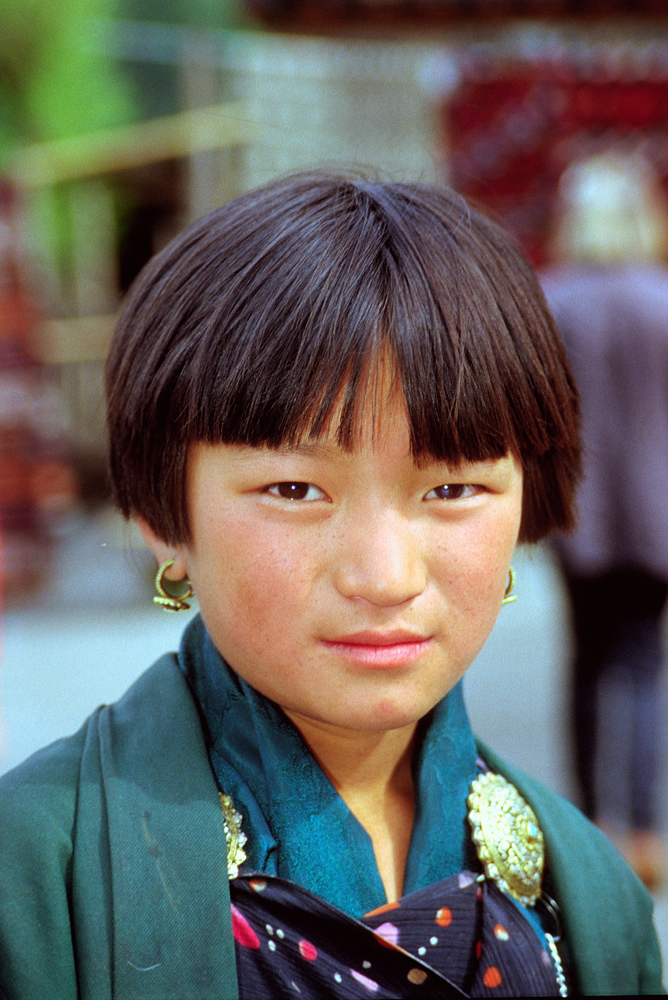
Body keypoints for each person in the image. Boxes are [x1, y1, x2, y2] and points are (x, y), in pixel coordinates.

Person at [0, 173, 662, 998]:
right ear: (165, 518)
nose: (384, 578)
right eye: (295, 490)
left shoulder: (591, 899)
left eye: (452, 490)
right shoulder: (30, 875)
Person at [542, 151, 668, 890]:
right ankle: (648, 829)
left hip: (579, 516)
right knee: (645, 665)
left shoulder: (552, 301)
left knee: (587, 664)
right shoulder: (662, 298)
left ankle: (592, 828)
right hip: (658, 517)